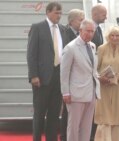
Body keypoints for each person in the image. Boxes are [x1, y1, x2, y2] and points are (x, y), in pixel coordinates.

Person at [27, 2, 67, 141]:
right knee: (39, 113)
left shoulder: (63, 29)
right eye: (56, 13)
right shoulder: (37, 27)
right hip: (41, 79)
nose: (59, 16)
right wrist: (33, 75)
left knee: (54, 114)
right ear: (48, 12)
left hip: (59, 77)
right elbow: (31, 54)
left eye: (61, 13)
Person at [60, 19, 101, 141]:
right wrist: (65, 92)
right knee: (73, 126)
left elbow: (92, 70)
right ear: (80, 31)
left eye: (92, 31)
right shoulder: (70, 48)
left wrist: (99, 77)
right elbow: (64, 72)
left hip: (91, 92)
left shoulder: (93, 46)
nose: (90, 34)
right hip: (75, 94)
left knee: (87, 126)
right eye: (87, 31)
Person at [94, 25, 119, 141]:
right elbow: (95, 69)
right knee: (104, 117)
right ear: (108, 36)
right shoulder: (101, 48)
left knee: (117, 116)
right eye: (112, 35)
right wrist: (101, 77)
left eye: (117, 35)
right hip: (104, 86)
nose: (114, 38)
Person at [60, 8, 84, 141]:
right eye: (81, 20)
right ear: (72, 21)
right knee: (67, 111)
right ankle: (64, 136)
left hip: (80, 80)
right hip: (68, 79)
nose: (83, 22)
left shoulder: (81, 35)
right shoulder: (64, 33)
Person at [90, 4, 107, 140]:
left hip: (98, 73)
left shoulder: (99, 30)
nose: (106, 17)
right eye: (103, 15)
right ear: (95, 14)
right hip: (90, 73)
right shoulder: (90, 30)